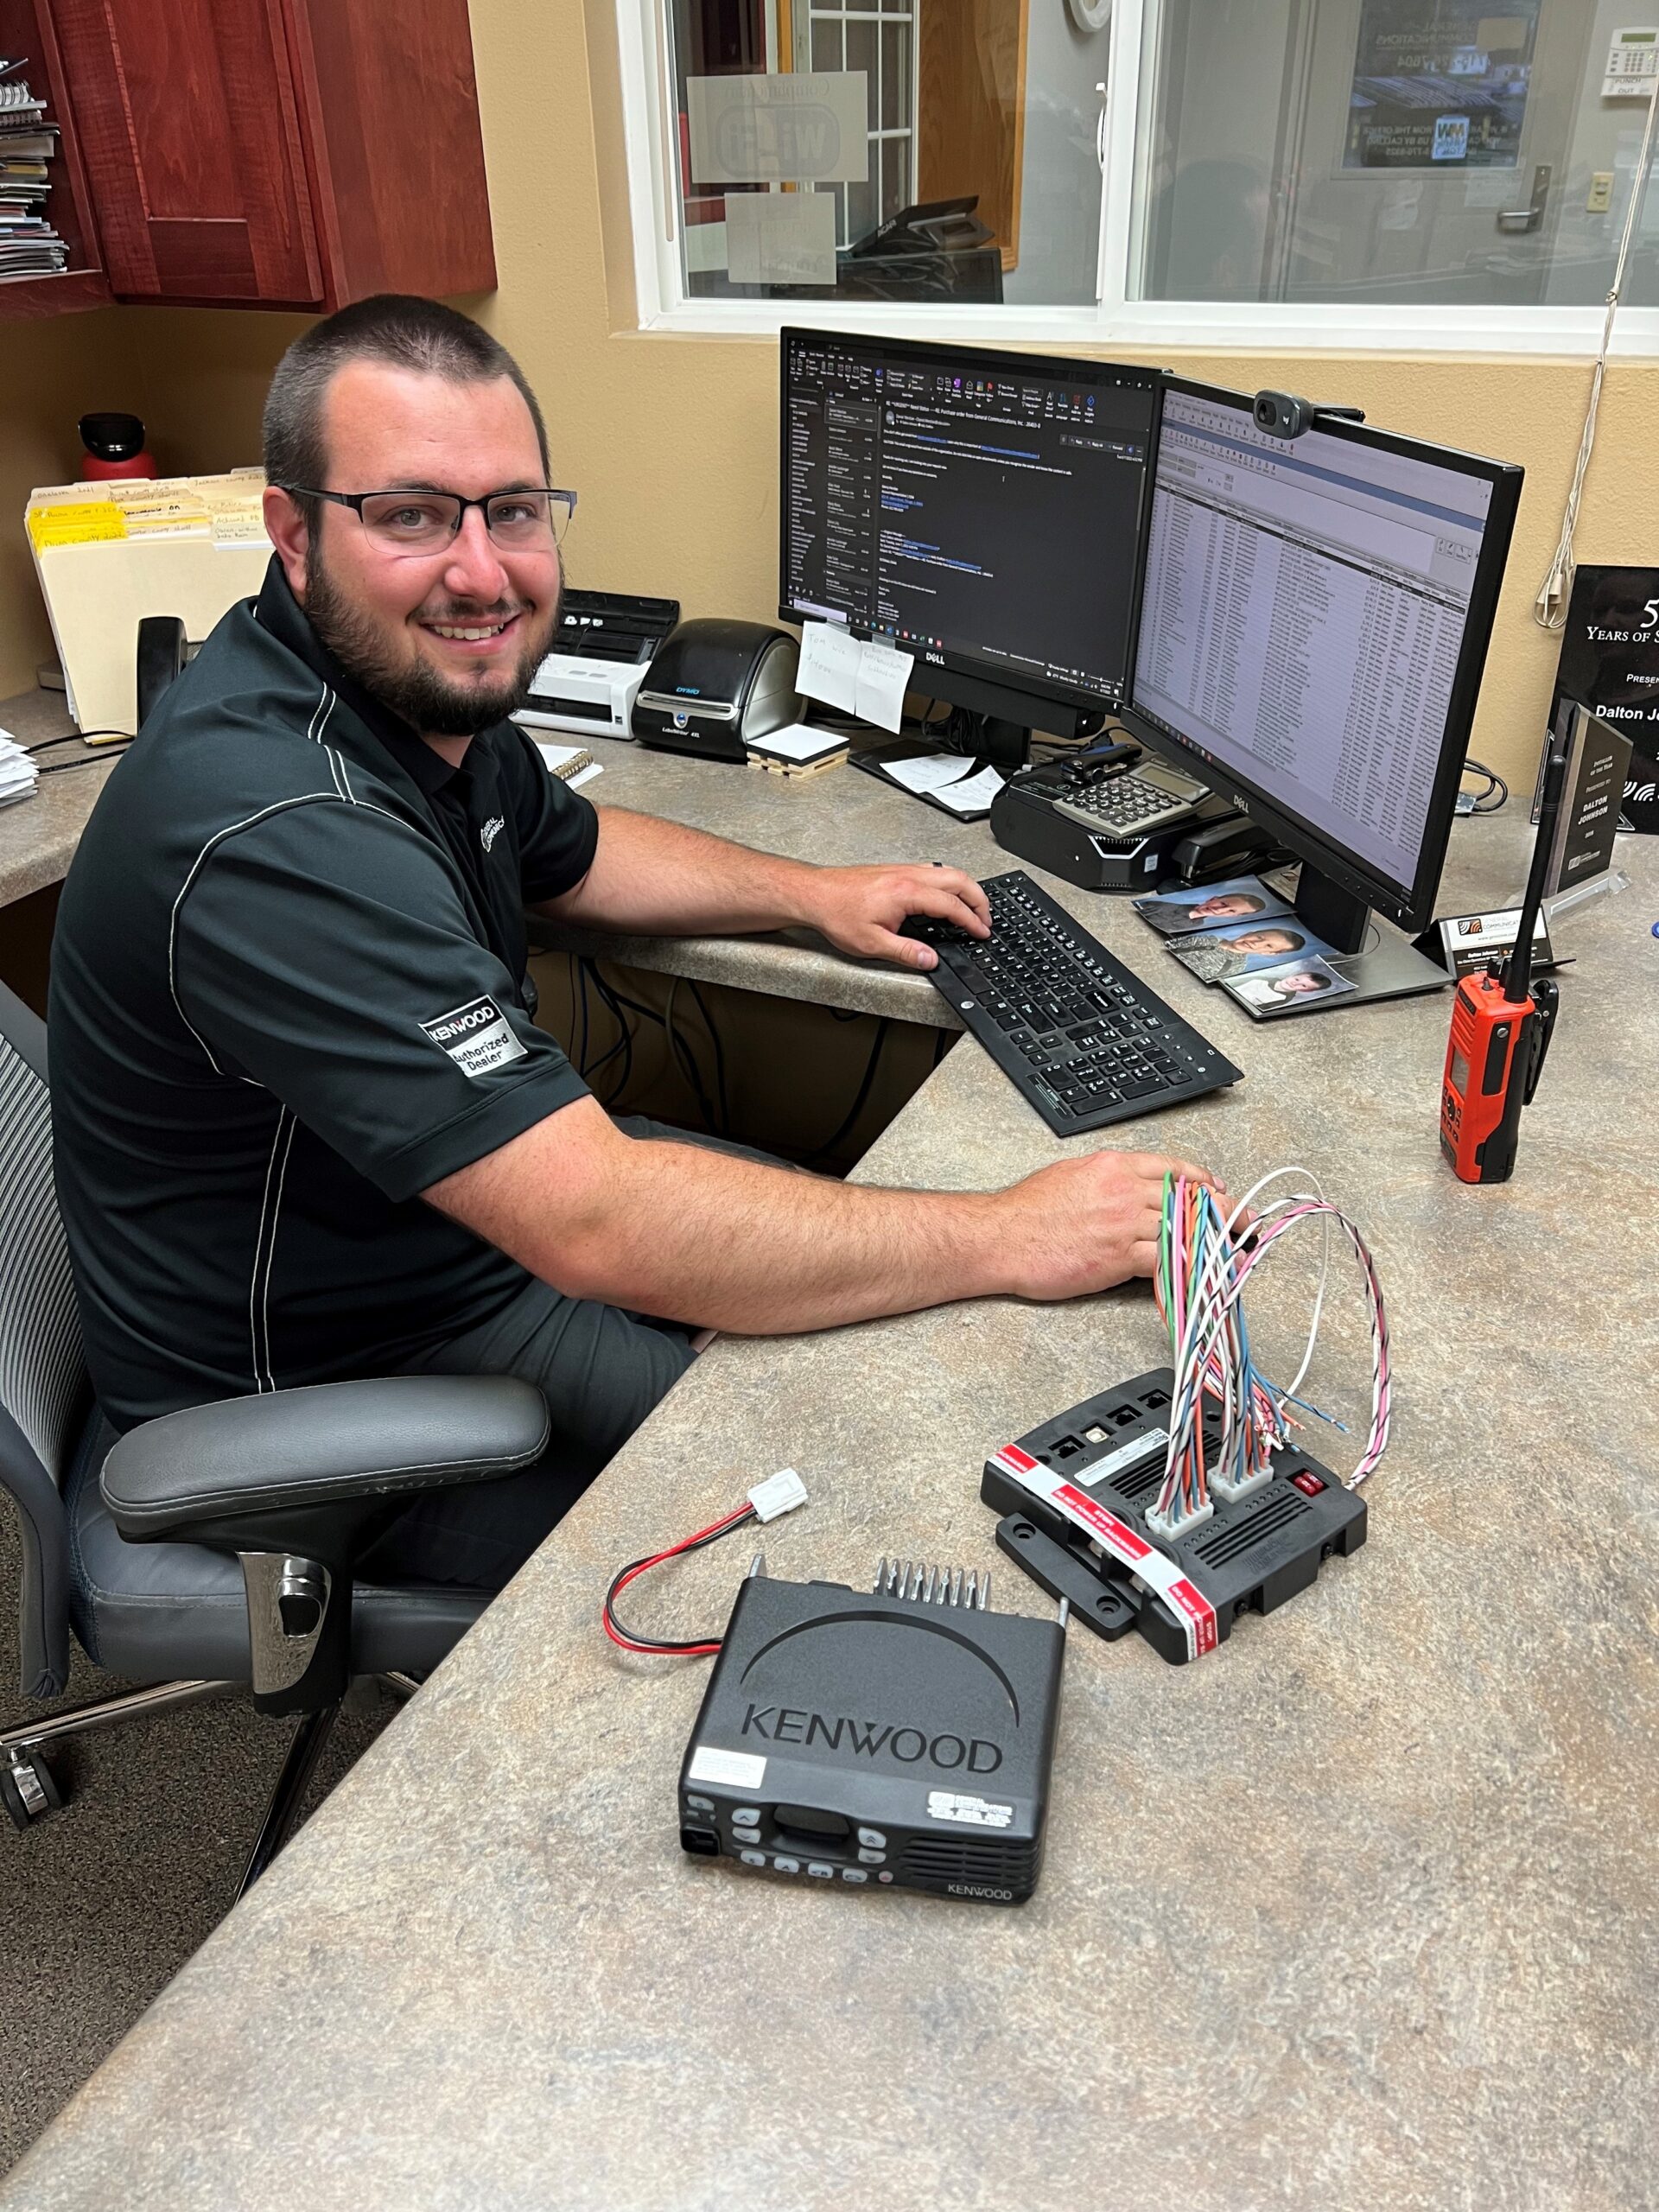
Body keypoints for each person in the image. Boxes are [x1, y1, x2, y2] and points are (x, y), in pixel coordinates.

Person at [48, 296, 1225, 1591]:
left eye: (511, 510)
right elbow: (598, 1223)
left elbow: (575, 849)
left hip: (452, 1241)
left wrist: (812, 893)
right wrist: (1009, 1233)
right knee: (853, 1487)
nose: (483, 571)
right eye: (410, 515)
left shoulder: (395, 692)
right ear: (293, 532)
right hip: (318, 1386)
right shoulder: (275, 833)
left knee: (847, 1311)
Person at [1175, 925, 1305, 983]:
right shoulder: (1207, 938)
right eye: (1259, 937)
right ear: (1249, 933)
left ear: (1270, 953)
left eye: (1268, 945)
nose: (1255, 943)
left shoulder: (1237, 966)